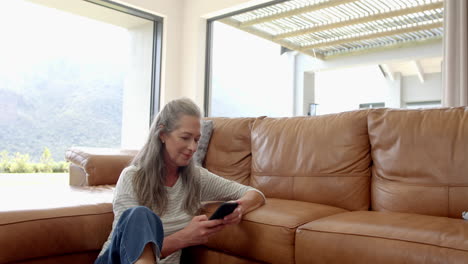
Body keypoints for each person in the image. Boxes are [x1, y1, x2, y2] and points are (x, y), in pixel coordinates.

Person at [95, 98, 265, 264]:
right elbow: (128, 247)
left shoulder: (196, 177)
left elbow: (254, 193)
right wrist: (184, 238)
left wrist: (239, 207)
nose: (192, 147)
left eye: (197, 140)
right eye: (185, 138)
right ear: (162, 134)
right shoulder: (132, 177)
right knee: (140, 214)